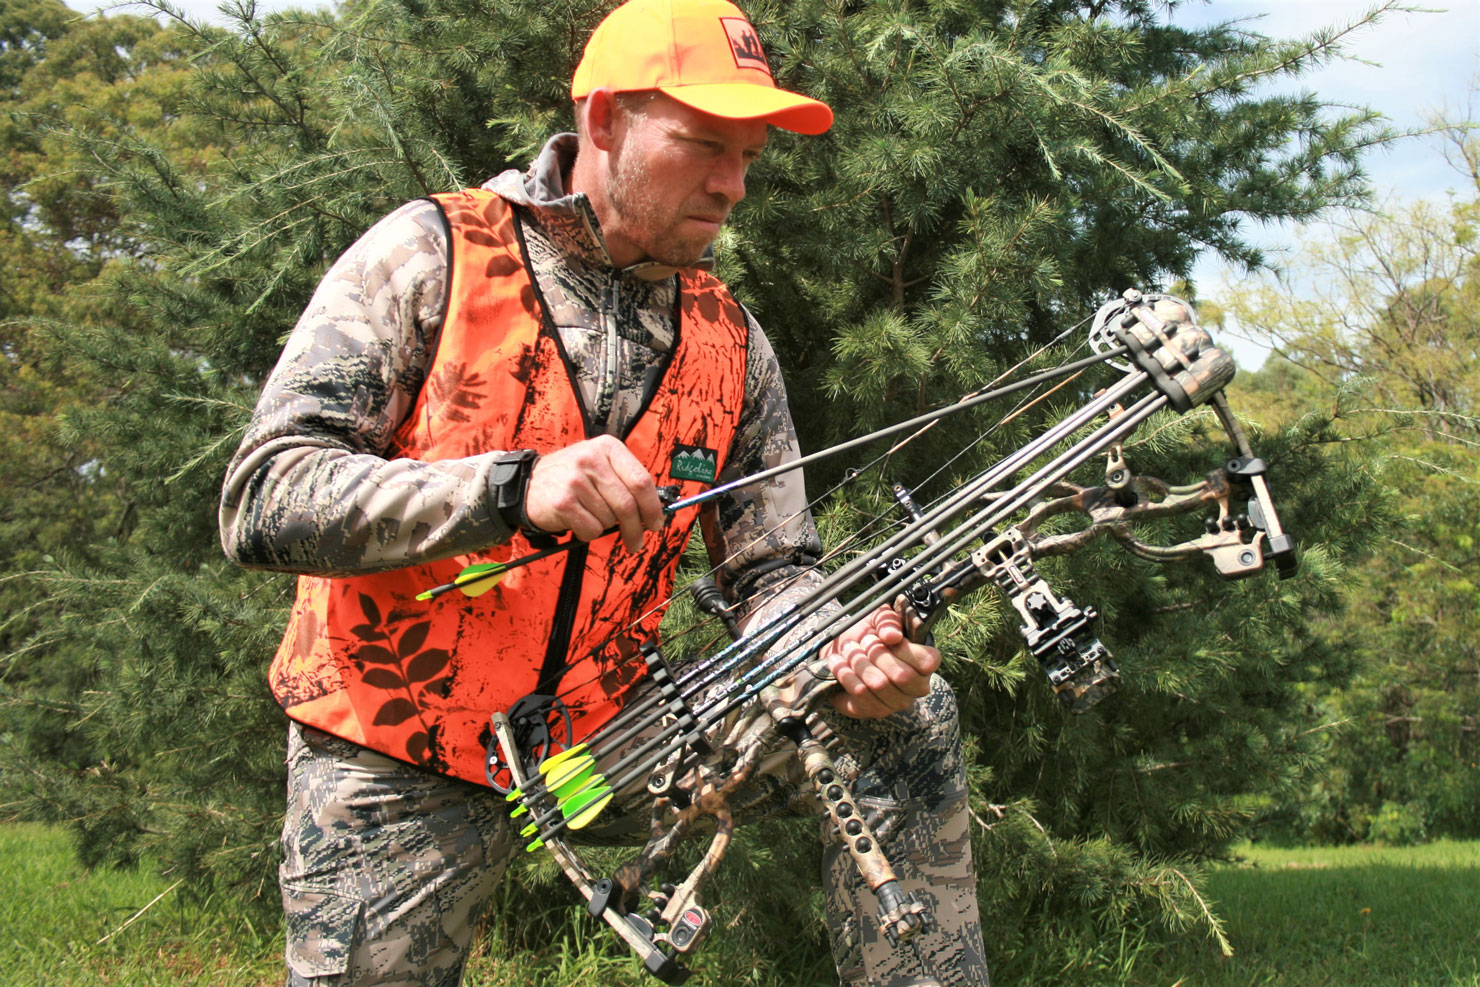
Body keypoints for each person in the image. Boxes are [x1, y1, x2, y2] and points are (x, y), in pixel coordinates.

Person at [219, 1, 989, 984]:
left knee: (898, 720)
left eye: (748, 154)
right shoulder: (433, 256)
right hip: (397, 751)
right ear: (605, 120)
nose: (733, 183)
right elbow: (265, 496)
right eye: (704, 144)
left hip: (609, 740)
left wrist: (834, 648)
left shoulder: (731, 342)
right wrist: (512, 488)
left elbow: (775, 572)